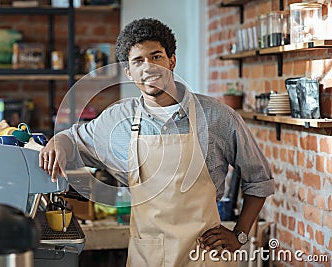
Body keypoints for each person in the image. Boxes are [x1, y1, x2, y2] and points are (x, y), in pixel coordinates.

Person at [40, 18, 274, 266]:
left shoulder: (217, 116)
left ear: (172, 61)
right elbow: (72, 140)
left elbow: (259, 179)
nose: (149, 67)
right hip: (147, 257)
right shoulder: (118, 119)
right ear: (128, 72)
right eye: (138, 61)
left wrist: (239, 234)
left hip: (204, 256)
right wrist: (57, 143)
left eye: (156, 57)